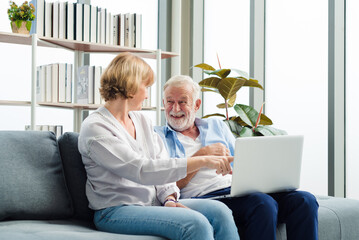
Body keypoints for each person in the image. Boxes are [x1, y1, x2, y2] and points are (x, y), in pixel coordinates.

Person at [77, 53, 240, 240]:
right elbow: (141, 169)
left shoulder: (142, 120)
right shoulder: (96, 128)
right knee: (195, 223)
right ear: (129, 86)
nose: (147, 94)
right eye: (145, 87)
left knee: (220, 212)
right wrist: (202, 160)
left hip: (152, 204)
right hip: (115, 211)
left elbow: (162, 162)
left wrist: (169, 198)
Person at [155, 75, 319, 240]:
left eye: (183, 102)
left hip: (238, 191)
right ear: (163, 104)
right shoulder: (158, 137)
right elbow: (166, 185)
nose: (175, 109)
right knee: (262, 204)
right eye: (170, 102)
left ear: (197, 104)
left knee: (304, 201)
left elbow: (243, 161)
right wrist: (202, 156)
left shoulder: (216, 126)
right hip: (207, 197)